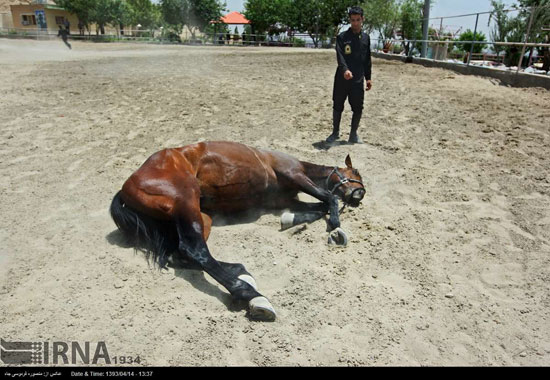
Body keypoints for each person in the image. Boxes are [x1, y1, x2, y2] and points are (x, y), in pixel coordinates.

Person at [326, 6, 372, 144]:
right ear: (350, 20)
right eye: (353, 20)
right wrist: (345, 70)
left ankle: (353, 134)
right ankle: (335, 133)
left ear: (362, 19)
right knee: (338, 105)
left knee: (358, 107)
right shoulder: (342, 37)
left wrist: (368, 78)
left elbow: (367, 59)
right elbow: (340, 57)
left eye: (358, 20)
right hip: (342, 78)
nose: (355, 23)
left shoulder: (366, 38)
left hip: (358, 79)